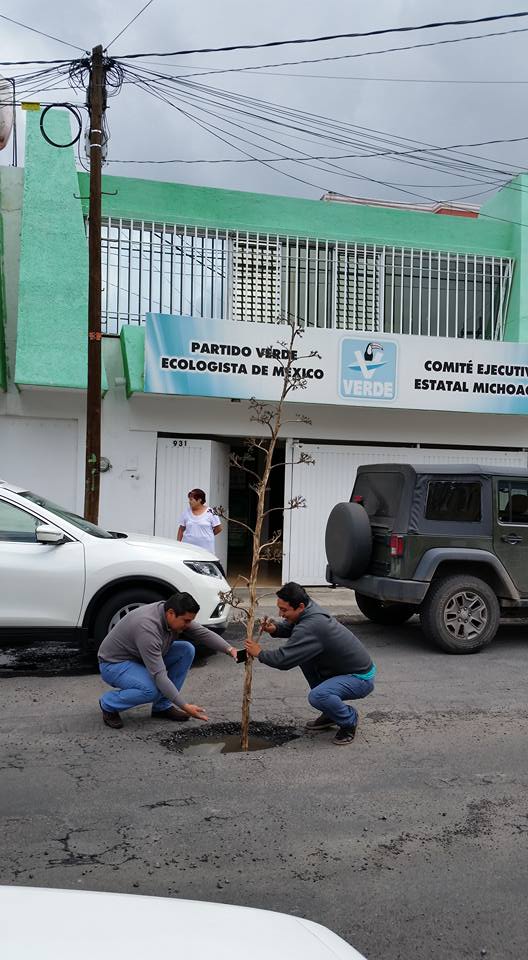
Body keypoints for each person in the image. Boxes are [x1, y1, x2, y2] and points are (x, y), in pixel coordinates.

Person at [245, 582, 376, 746]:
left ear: (300, 606)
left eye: (284, 610)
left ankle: (349, 719)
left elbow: (284, 660)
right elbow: (295, 627)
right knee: (305, 659)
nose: (280, 614)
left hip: (360, 678)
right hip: (344, 671)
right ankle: (331, 713)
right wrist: (276, 629)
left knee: (318, 696)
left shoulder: (313, 624)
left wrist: (260, 653)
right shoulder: (309, 609)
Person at [98, 591, 238, 729]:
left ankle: (162, 707)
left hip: (140, 657)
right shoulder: (148, 628)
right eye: (186, 621)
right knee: (151, 690)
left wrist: (230, 649)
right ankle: (109, 704)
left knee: (186, 650)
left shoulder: (171, 612)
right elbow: (159, 675)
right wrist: (184, 705)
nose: (188, 624)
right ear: (171, 613)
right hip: (114, 664)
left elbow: (202, 633)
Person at [177, 488, 222, 553]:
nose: (189, 501)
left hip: (206, 549)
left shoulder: (210, 512)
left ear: (199, 500)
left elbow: (218, 528)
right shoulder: (186, 512)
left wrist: (206, 536)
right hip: (188, 549)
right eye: (189, 499)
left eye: (191, 500)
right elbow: (181, 529)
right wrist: (178, 544)